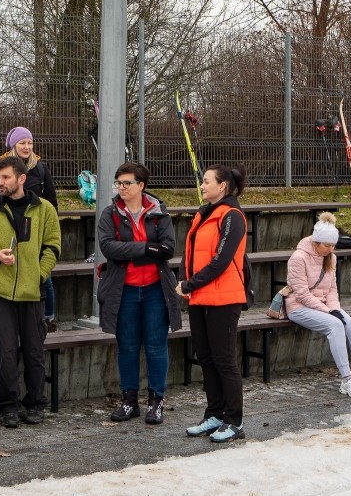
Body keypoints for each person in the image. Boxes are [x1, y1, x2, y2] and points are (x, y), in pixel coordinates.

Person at [0, 155, 61, 428]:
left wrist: (39, 275)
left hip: (33, 293)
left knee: (34, 351)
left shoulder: (44, 209)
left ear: (21, 179)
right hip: (1, 293)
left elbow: (53, 246)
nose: (0, 182)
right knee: (6, 351)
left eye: (6, 177)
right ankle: (8, 407)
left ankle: (35, 403)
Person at [96, 163, 182, 425]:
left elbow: (167, 248)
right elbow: (109, 248)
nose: (121, 188)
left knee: (156, 347)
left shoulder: (158, 211)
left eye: (126, 183)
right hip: (124, 290)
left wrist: (131, 250)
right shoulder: (110, 213)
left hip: (156, 289)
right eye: (118, 183)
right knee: (127, 347)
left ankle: (156, 401)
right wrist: (145, 248)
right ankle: (129, 401)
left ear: (141, 185)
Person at [178, 165, 250, 444]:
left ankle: (234, 420)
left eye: (206, 181)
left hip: (224, 298)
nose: (202, 185)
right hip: (200, 297)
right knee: (206, 358)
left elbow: (221, 261)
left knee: (224, 360)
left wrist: (190, 284)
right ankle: (215, 414)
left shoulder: (232, 216)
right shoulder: (203, 213)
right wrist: (186, 280)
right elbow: (190, 253)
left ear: (222, 186)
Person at [285, 212, 351, 399]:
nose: (330, 249)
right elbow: (302, 294)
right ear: (315, 242)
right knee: (335, 325)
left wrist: (334, 308)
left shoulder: (331, 257)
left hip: (324, 305)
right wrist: (329, 312)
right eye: (326, 245)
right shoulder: (298, 257)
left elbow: (332, 289)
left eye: (333, 245)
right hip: (298, 306)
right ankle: (347, 379)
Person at [0, 126, 60, 332]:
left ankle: (48, 318)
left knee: (45, 278)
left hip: (35, 231)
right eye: (22, 143)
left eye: (30, 143)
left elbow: (51, 200)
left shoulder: (40, 168)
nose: (27, 147)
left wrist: (48, 224)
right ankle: (7, 320)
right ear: (13, 145)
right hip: (7, 229)